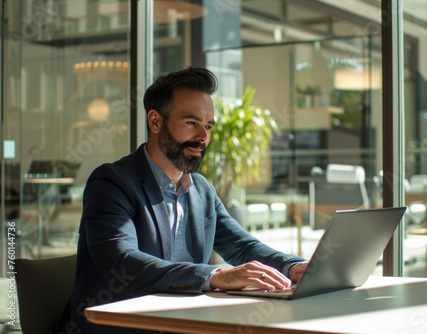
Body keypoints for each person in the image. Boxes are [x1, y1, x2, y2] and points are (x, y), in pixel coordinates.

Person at [60, 67, 308, 334]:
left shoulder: (201, 189)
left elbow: (242, 246)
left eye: (208, 125)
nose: (203, 136)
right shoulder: (111, 182)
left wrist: (292, 266)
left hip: (181, 324)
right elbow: (123, 264)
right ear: (155, 122)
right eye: (191, 122)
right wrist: (215, 276)